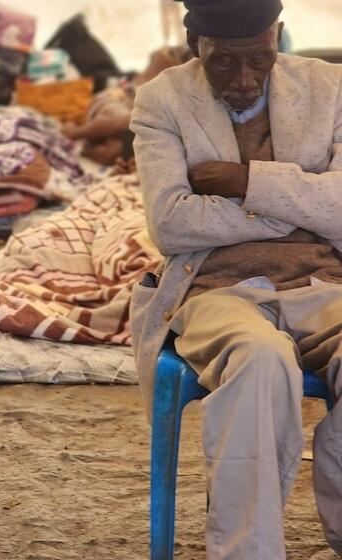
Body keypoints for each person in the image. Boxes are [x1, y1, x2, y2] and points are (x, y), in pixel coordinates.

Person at [129, 0, 342, 558]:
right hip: (216, 291)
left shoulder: (332, 87)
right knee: (258, 359)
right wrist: (298, 203)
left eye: (260, 60)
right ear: (193, 44)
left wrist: (245, 182)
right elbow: (171, 224)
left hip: (327, 283)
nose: (244, 81)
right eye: (224, 64)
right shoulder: (162, 100)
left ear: (278, 35)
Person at [62, 46, 191, 166]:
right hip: (113, 105)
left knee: (119, 149)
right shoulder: (134, 82)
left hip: (131, 127)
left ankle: (85, 147)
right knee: (125, 118)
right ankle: (76, 133)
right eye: (173, 54)